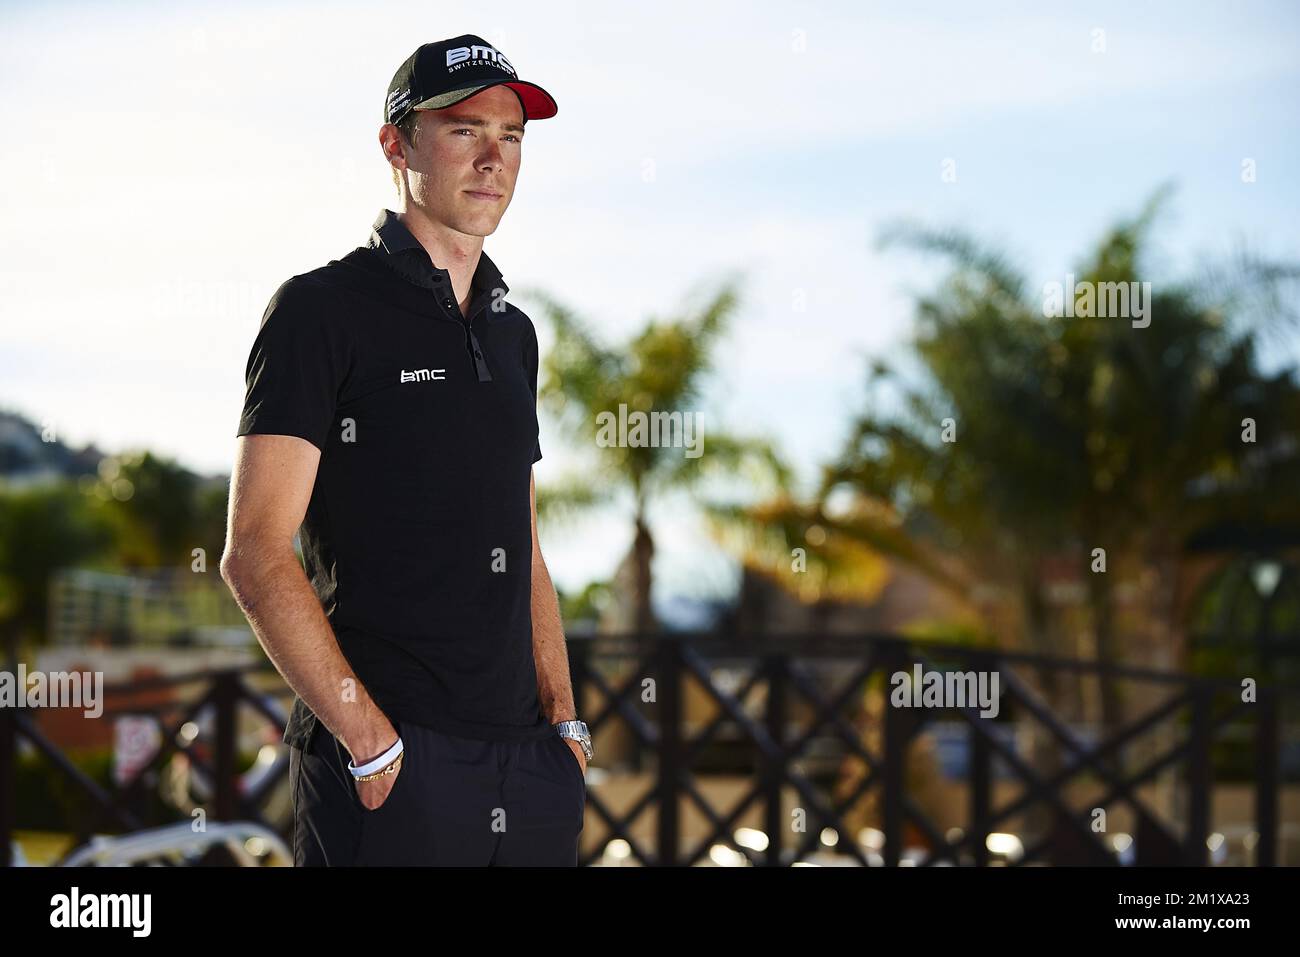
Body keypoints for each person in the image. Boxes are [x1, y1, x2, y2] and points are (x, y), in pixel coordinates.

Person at [220, 34, 591, 866]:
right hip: (392, 765)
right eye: (465, 130)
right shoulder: (320, 311)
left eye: (513, 136)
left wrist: (564, 725)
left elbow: (523, 545)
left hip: (528, 767)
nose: (494, 158)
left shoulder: (514, 333)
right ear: (396, 144)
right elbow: (253, 552)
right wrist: (370, 739)